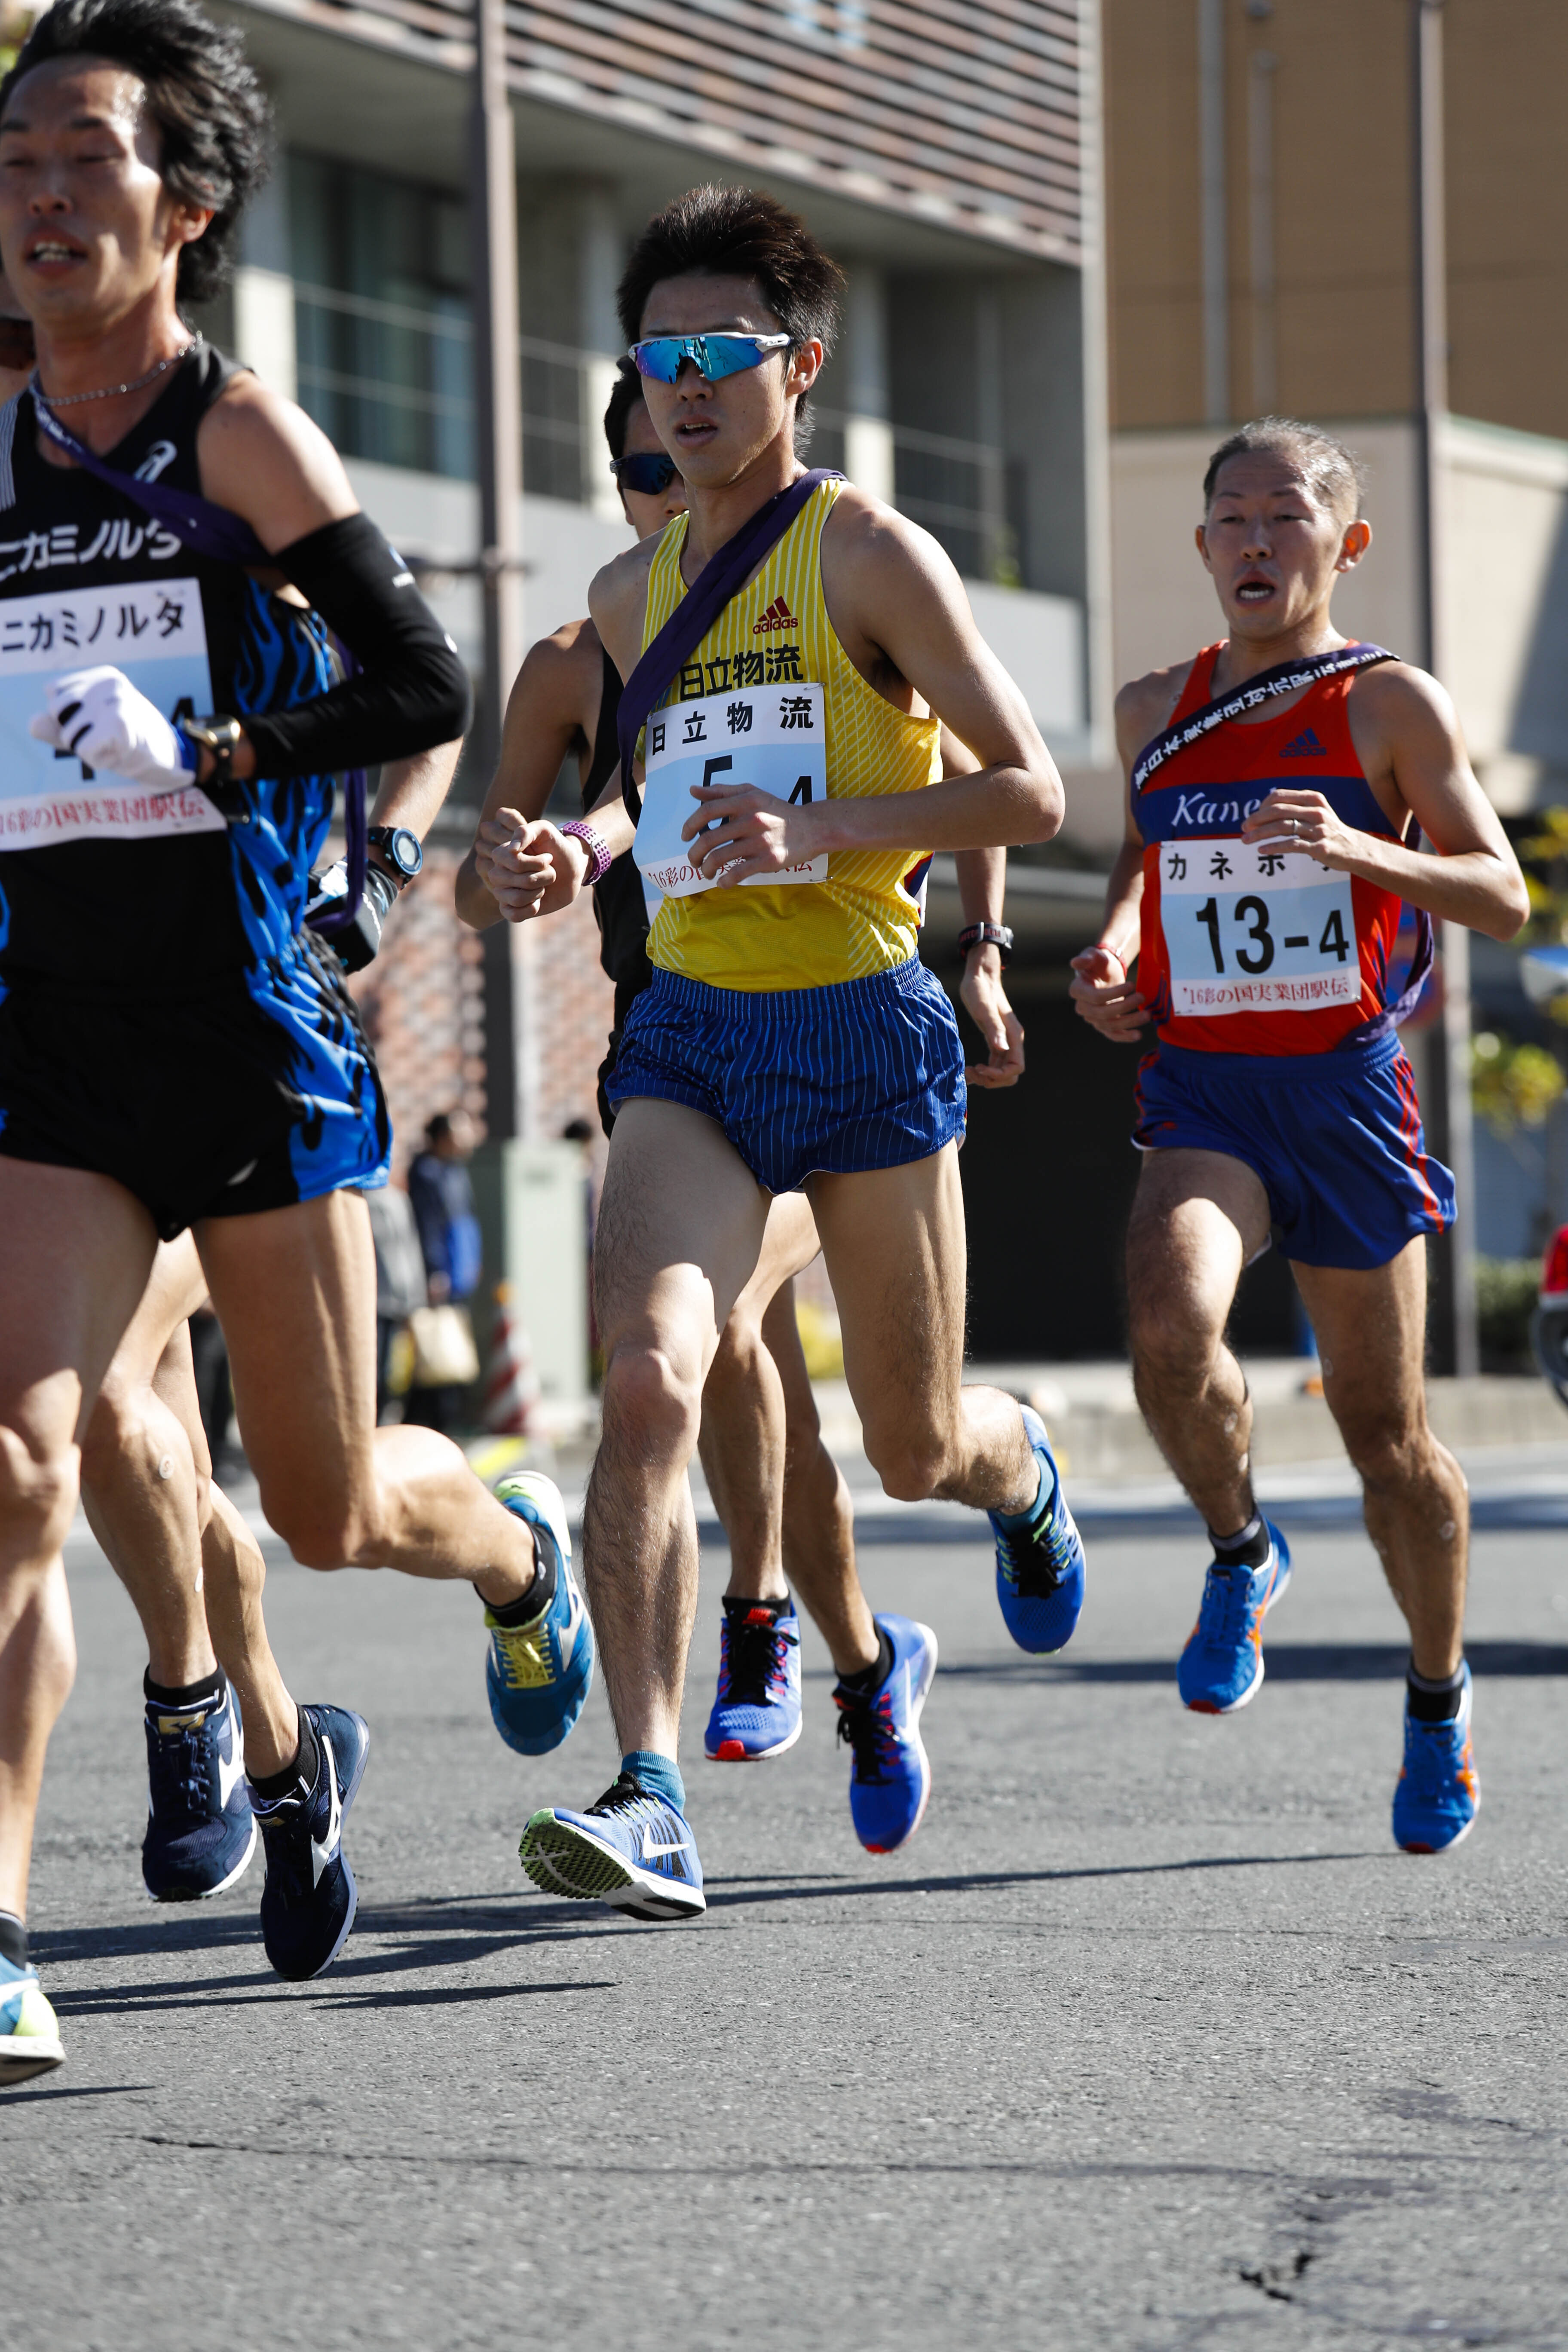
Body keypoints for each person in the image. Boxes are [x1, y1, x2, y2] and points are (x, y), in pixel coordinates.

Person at [0, 0, 588, 2086]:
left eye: (88, 159)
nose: (48, 198)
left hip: (246, 1033)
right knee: (19, 1446)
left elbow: (418, 675)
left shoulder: (227, 432)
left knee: (331, 1505)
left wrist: (236, 744)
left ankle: (521, 1548)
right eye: (19, 165)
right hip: (48, 1046)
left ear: (188, 207)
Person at [474, 184, 1085, 1924]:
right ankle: (650, 1786)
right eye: (654, 357)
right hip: (689, 1040)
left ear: (797, 366)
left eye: (716, 355)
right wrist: (525, 861)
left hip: (866, 1032)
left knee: (910, 1451)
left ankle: (1018, 1467)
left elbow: (1029, 790)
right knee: (660, 1372)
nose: (680, 386)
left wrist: (817, 832)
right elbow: (544, 832)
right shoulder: (619, 589)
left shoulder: (870, 552)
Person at [1069, 415, 1528, 1854]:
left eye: (1285, 519)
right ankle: (1236, 1546)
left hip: (1339, 1090)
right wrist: (1106, 954)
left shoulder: (1387, 706)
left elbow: (1499, 892)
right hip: (1203, 1084)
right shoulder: (1154, 706)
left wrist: (1355, 848)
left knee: (1386, 1443)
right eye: (1231, 521)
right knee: (1164, 1325)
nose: (1255, 543)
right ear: (1200, 545)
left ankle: (1436, 1697)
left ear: (1343, 542)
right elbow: (1154, 870)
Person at [404, 1109, 483, 1435]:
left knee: (448, 1346)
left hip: (459, 1271)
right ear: (442, 1137)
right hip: (442, 1274)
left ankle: (441, 1423)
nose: (467, 1138)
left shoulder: (455, 1171)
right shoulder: (427, 1172)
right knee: (435, 1352)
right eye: (459, 1131)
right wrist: (435, 1270)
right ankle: (428, 1426)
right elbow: (429, 1226)